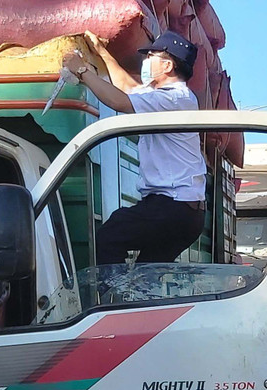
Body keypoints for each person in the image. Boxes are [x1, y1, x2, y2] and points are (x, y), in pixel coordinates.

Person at [62, 30, 207, 264]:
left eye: (151, 56)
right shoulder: (169, 97)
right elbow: (127, 88)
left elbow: (119, 101)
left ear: (168, 65)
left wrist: (82, 70)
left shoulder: (173, 98)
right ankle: (132, 298)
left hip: (173, 204)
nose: (145, 61)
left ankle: (111, 299)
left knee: (110, 237)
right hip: (185, 211)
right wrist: (101, 51)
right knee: (146, 276)